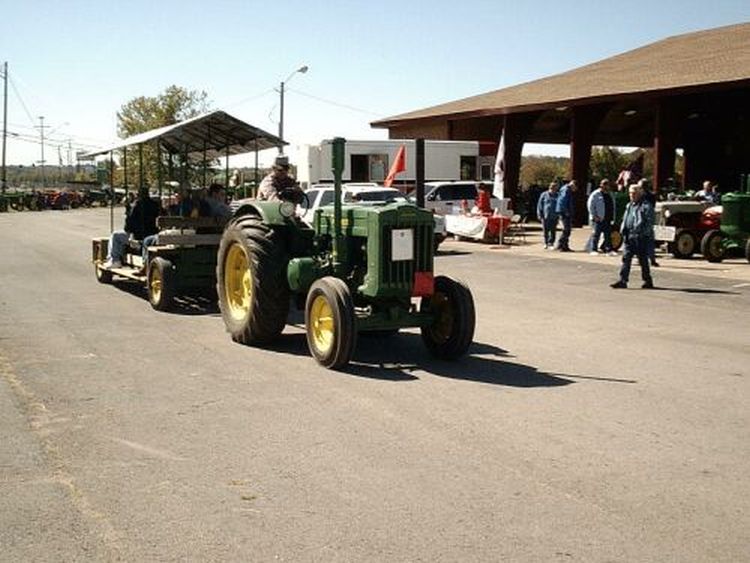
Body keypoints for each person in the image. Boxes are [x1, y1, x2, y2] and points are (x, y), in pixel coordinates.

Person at [103, 186, 161, 268]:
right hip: (153, 234)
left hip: (138, 236)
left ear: (138, 195)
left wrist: (128, 212)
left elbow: (128, 228)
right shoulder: (156, 205)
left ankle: (115, 260)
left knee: (115, 235)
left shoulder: (136, 205)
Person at [610, 184, 655, 289]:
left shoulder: (646, 206)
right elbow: (626, 218)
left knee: (643, 260)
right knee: (626, 258)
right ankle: (623, 280)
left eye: (634, 193)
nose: (632, 195)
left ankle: (647, 280)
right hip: (628, 235)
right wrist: (623, 230)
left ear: (640, 194)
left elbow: (649, 222)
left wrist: (643, 233)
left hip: (640, 237)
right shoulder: (629, 205)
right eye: (630, 193)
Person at [586, 179, 613, 254]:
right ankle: (593, 249)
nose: (606, 187)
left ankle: (608, 249)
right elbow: (590, 205)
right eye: (605, 185)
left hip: (607, 218)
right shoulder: (595, 194)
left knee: (608, 235)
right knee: (596, 234)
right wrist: (594, 215)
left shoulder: (609, 194)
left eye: (607, 185)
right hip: (598, 218)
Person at [638, 178, 659, 267]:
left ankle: (642, 259)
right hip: (649, 220)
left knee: (642, 241)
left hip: (643, 220)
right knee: (649, 241)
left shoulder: (641, 196)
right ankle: (652, 259)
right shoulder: (652, 195)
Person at [555, 179, 576, 251]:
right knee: (566, 229)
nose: (574, 190)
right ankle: (561, 245)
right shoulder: (566, 190)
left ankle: (564, 245)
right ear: (573, 185)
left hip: (564, 211)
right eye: (575, 188)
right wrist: (566, 211)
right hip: (564, 212)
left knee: (567, 229)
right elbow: (563, 201)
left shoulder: (565, 189)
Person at [536, 182, 559, 249]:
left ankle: (551, 243)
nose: (553, 190)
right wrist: (539, 214)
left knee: (553, 230)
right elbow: (539, 205)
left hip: (554, 215)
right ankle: (546, 242)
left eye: (554, 188)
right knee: (545, 230)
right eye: (552, 188)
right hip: (545, 215)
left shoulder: (557, 195)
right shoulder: (544, 195)